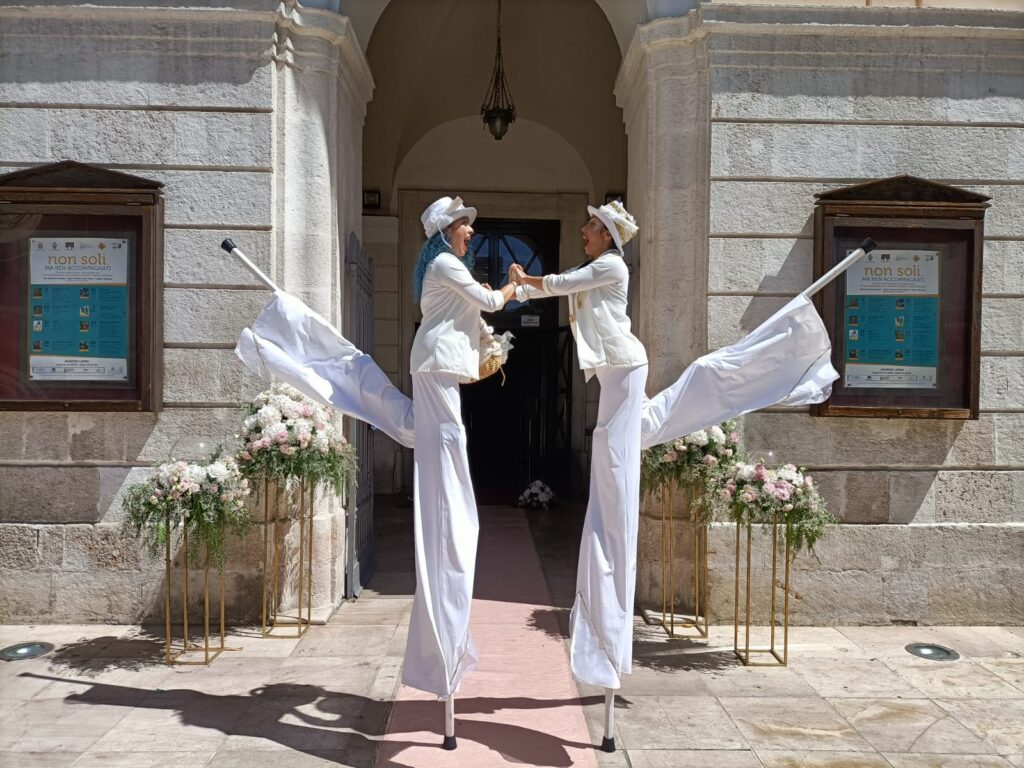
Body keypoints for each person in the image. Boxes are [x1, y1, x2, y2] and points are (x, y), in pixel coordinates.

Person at [509, 200, 646, 752]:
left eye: (590, 228)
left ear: (606, 235)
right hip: (613, 373)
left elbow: (566, 282)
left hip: (627, 368)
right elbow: (564, 286)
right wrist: (523, 287)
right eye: (588, 228)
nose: (584, 233)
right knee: (607, 446)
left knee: (614, 452)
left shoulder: (612, 265)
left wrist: (524, 282)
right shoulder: (603, 265)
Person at [406, 196, 517, 748]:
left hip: (439, 367)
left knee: (451, 439)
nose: (472, 231)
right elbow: (491, 301)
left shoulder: (445, 263)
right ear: (447, 229)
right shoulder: (446, 264)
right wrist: (517, 284)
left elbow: (467, 319)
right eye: (465, 224)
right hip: (433, 366)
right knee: (448, 441)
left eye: (469, 225)